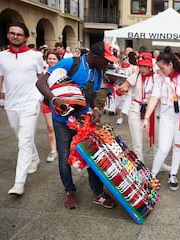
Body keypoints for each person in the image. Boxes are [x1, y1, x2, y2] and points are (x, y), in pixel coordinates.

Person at [36, 41, 118, 209]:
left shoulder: (99, 72)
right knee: (64, 157)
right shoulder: (70, 63)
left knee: (92, 156)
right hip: (62, 121)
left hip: (83, 120)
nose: (108, 64)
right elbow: (41, 83)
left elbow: (93, 96)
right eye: (106, 60)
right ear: (95, 57)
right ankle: (69, 191)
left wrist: (95, 108)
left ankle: (98, 193)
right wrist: (54, 99)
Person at [0, 22, 44, 195]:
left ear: (25, 37)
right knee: (21, 136)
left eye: (19, 34)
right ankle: (34, 158)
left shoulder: (35, 56)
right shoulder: (1, 57)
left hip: (31, 103)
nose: (15, 36)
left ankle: (19, 182)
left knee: (24, 141)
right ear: (8, 35)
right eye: (12, 33)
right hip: (11, 104)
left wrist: (46, 98)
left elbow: (41, 78)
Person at [141, 46, 180, 191]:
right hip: (167, 115)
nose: (159, 70)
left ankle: (173, 174)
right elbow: (154, 97)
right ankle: (152, 175)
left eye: (161, 67)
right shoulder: (160, 79)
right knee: (163, 147)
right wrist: (146, 118)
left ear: (170, 64)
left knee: (178, 146)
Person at [42, 49, 62, 162]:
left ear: (58, 60)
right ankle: (53, 150)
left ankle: (64, 148)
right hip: (46, 103)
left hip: (59, 103)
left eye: (54, 58)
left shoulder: (62, 72)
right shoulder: (43, 72)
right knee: (50, 127)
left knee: (63, 127)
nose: (51, 60)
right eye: (49, 58)